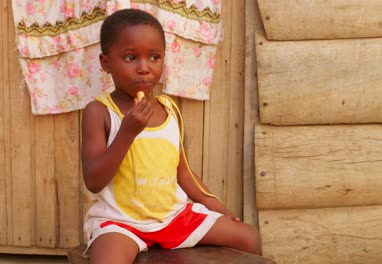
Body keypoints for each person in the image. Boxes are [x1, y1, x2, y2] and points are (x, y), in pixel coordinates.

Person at [81, 8, 260, 264]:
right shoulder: (99, 112)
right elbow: (94, 181)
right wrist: (127, 132)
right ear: (106, 63)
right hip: (122, 222)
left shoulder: (169, 109)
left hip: (174, 217)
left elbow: (183, 173)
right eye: (131, 58)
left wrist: (218, 210)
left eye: (154, 57)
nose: (144, 68)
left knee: (248, 238)